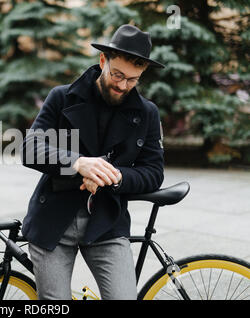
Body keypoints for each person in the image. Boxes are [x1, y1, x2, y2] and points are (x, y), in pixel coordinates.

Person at [20, 24, 165, 300]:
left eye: (133, 79)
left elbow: (153, 172)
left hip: (107, 223)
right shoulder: (62, 97)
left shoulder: (147, 113)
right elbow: (30, 148)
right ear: (103, 61)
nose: (123, 85)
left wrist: (114, 176)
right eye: (117, 75)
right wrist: (78, 163)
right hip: (53, 221)